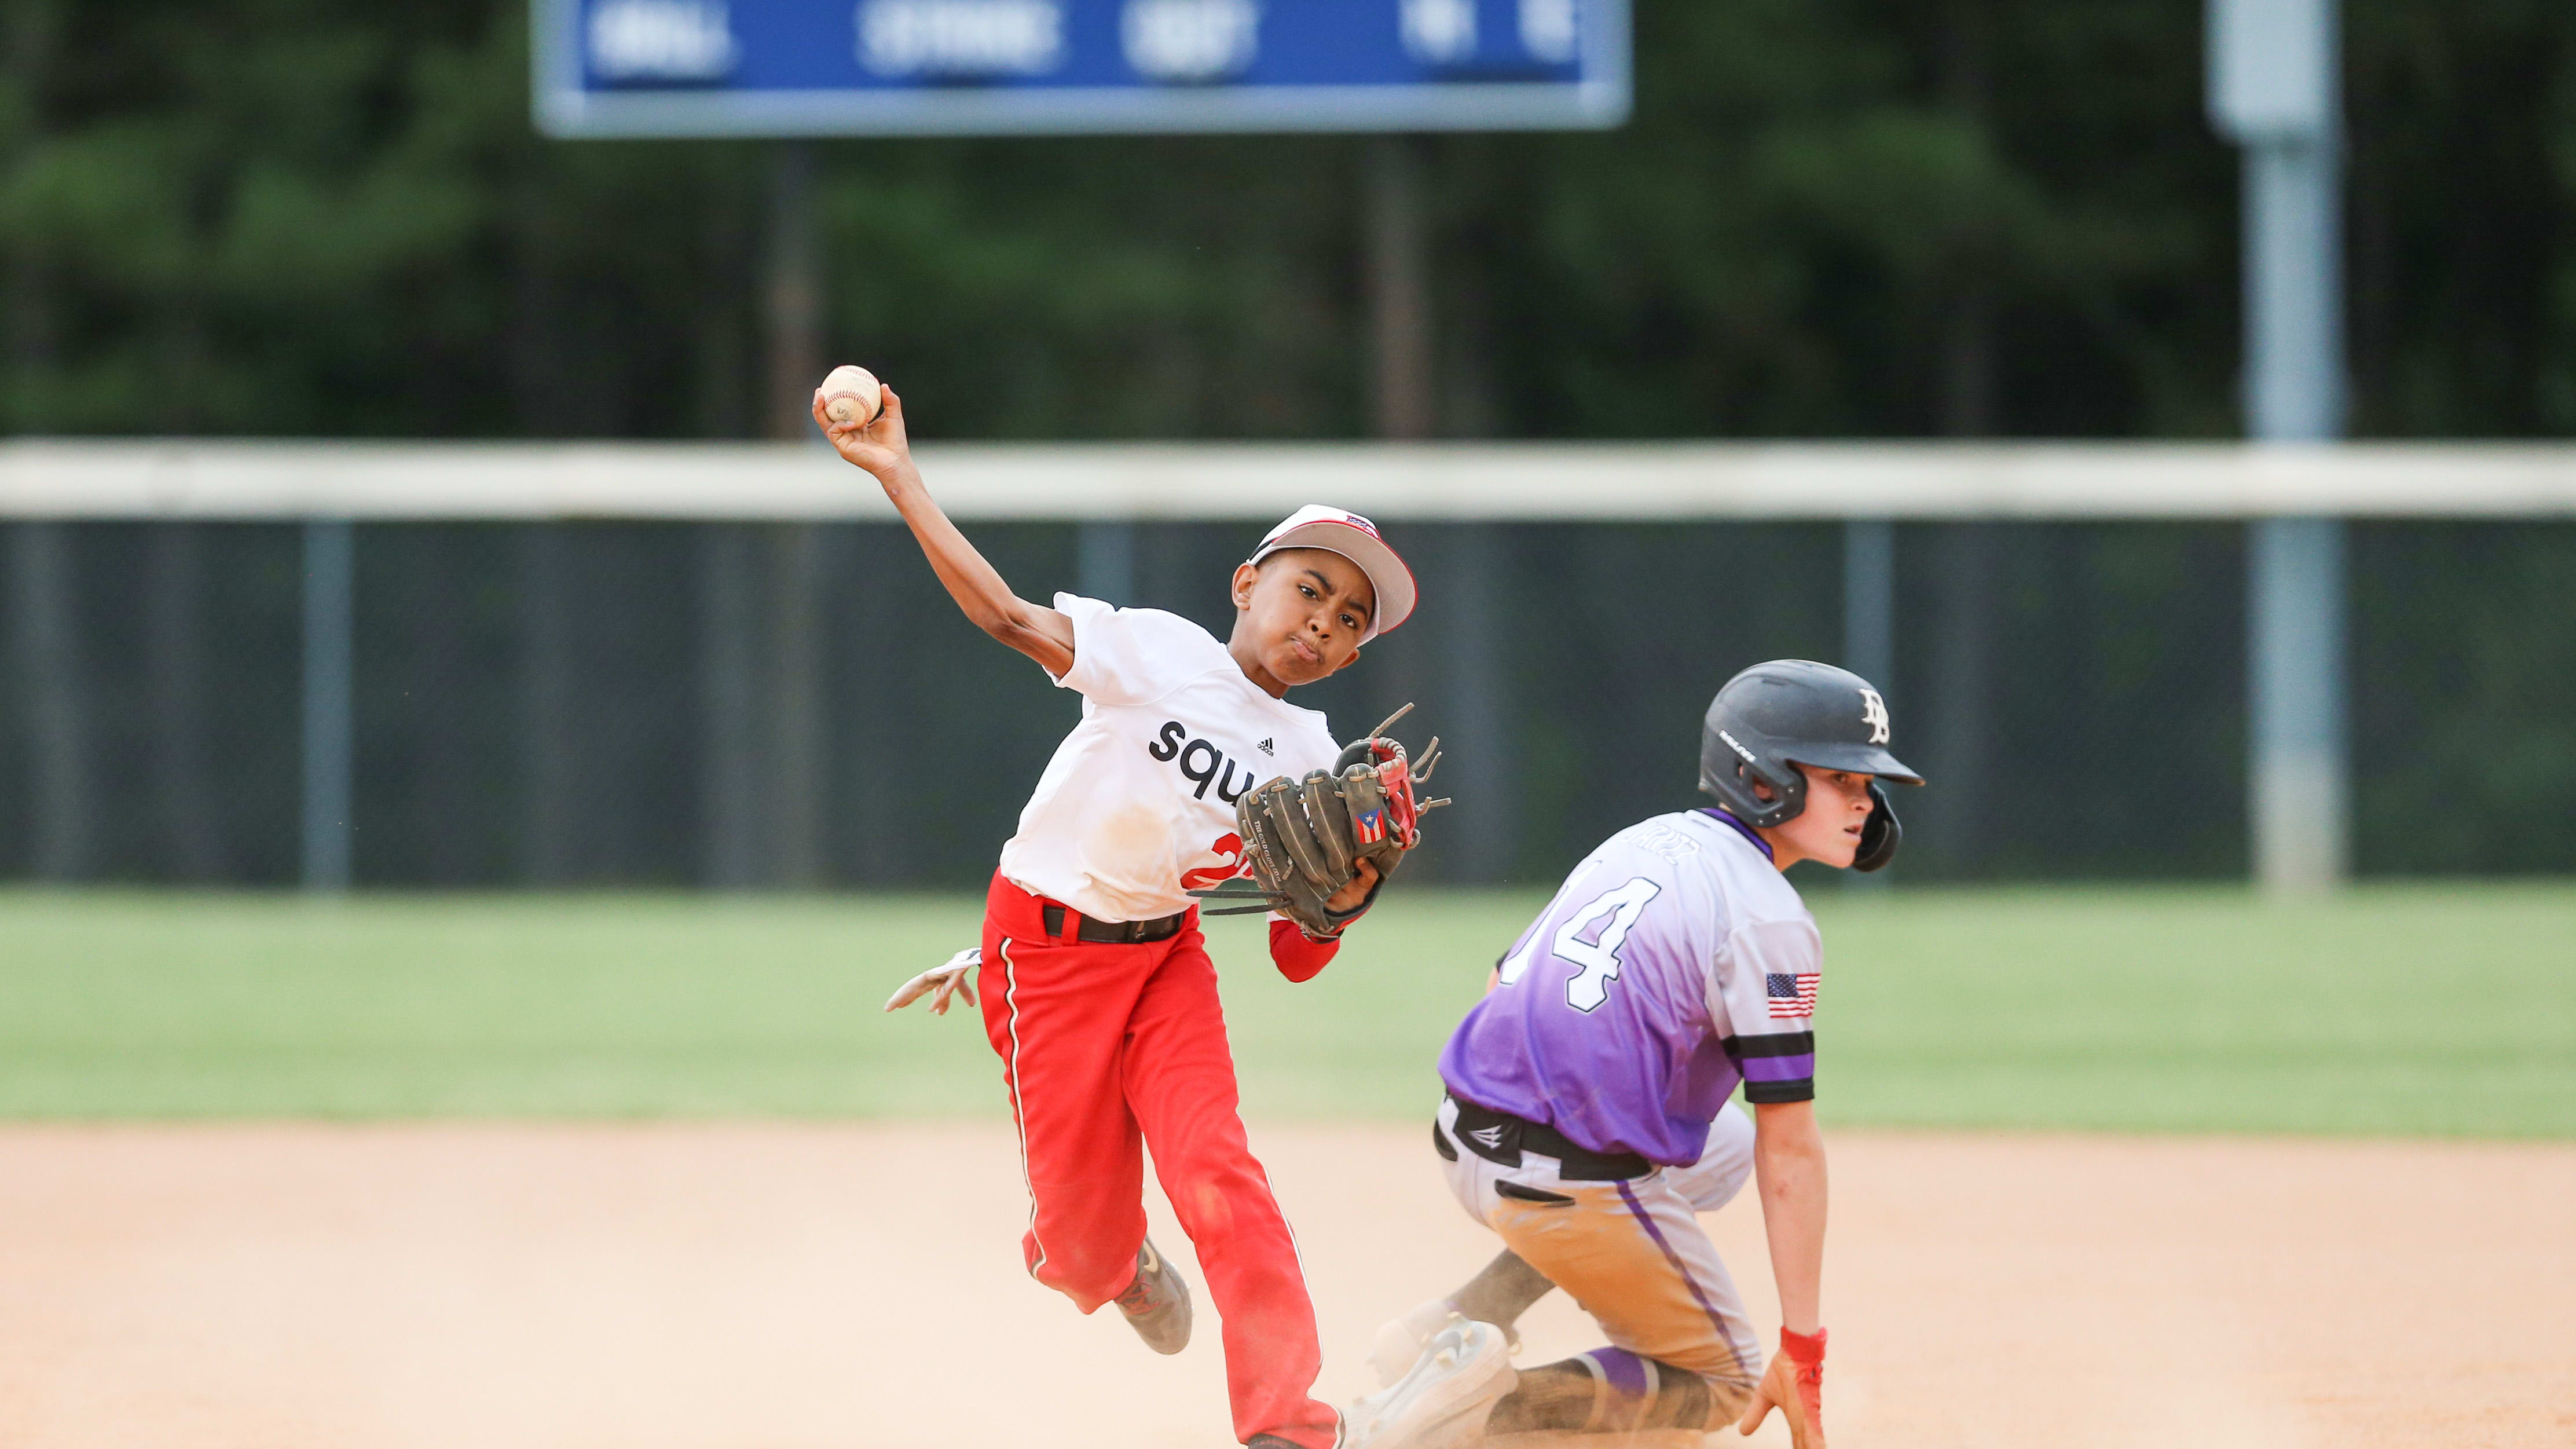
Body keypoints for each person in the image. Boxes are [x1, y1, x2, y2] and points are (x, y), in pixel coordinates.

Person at [825, 380, 1419, 1449]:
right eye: (1309, 590)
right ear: (1247, 583)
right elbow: (1006, 616)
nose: (1322, 623)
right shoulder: (1157, 652)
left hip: (1165, 966)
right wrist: (899, 476)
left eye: (1348, 620)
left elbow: (1293, 952)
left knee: (1218, 1171)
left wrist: (1350, 894)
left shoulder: (1320, 760)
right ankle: (1113, 1266)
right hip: (1041, 956)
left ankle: (1288, 1419)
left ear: (1355, 655)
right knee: (1082, 1249)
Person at [1350, 660, 1920, 1449]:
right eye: (1837, 776)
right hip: (1558, 1180)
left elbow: (1497, 980)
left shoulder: (1647, 837)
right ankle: (1470, 1401)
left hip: (1461, 1129)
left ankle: (1465, 1318)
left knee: (1719, 1153)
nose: (1863, 800)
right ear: (1762, 779)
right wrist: (1802, 1347)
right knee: (1719, 1380)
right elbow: (1790, 1147)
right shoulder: (1769, 918)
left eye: (1867, 780)